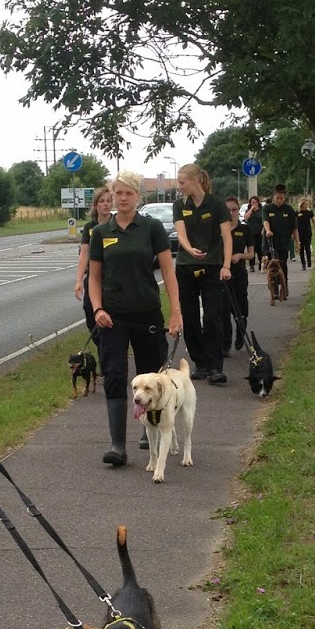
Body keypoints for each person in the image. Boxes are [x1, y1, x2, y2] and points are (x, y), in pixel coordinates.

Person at [87, 171, 182, 466]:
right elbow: (94, 277)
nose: (123, 198)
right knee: (115, 374)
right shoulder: (101, 232)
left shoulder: (151, 228)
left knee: (150, 373)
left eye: (129, 193)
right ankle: (117, 445)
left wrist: (176, 312)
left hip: (147, 313)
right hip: (112, 317)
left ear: (138, 196)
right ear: (112, 196)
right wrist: (98, 309)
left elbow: (168, 272)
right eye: (118, 193)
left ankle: (149, 429)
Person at [172, 163, 233, 383]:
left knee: (212, 316)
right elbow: (180, 233)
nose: (179, 187)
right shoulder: (180, 205)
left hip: (213, 266)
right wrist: (189, 249)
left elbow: (227, 236)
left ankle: (215, 366)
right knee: (189, 318)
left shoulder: (216, 204)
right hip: (186, 266)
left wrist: (226, 265)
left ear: (196, 180)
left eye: (182, 182)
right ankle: (201, 363)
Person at [73, 186, 114, 332]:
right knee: (90, 311)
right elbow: (84, 254)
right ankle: (99, 340)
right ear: (96, 205)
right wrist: (79, 280)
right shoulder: (90, 227)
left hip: (112, 277)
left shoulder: (116, 223)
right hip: (94, 276)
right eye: (102, 201)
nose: (105, 204)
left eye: (108, 201)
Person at [219, 195, 249, 352]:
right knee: (224, 309)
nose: (231, 213)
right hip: (223, 274)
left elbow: (251, 254)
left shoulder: (244, 230)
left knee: (240, 307)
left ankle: (240, 332)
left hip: (239, 273)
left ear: (238, 210)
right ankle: (225, 343)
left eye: (234, 209)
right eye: (228, 210)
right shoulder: (218, 230)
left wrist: (240, 255)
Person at [263, 185, 298, 269]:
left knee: (282, 263)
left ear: (284, 198)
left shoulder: (289, 209)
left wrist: (297, 241)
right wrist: (268, 230)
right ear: (274, 196)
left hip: (283, 241)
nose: (279, 200)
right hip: (271, 241)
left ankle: (283, 277)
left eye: (281, 198)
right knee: (271, 264)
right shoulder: (267, 208)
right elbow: (265, 221)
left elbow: (294, 227)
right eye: (277, 198)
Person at [241, 195, 265, 270]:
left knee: (260, 249)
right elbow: (245, 217)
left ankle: (261, 264)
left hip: (259, 232)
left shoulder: (261, 211)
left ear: (258, 203)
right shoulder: (248, 210)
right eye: (252, 202)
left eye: (255, 202)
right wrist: (251, 209)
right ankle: (252, 265)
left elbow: (264, 220)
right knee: (251, 249)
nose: (254, 204)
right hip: (250, 232)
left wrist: (263, 229)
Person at [295, 198, 315, 270]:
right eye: (305, 204)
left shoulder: (309, 212)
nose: (306, 206)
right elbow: (294, 222)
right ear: (302, 204)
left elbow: (314, 220)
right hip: (299, 232)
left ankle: (309, 260)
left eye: (307, 204)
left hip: (307, 232)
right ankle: (303, 264)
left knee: (307, 247)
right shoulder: (297, 212)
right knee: (301, 248)